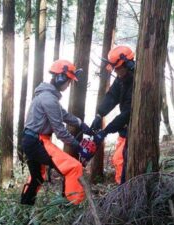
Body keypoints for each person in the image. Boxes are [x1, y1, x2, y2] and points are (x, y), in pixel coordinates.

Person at [20, 59, 94, 205]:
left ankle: (25, 206)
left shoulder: (47, 96)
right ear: (61, 78)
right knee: (74, 167)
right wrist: (78, 146)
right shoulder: (49, 100)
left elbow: (64, 115)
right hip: (37, 141)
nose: (69, 85)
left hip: (31, 140)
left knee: (37, 177)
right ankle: (72, 205)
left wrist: (81, 124)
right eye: (69, 81)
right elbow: (60, 131)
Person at [91, 46, 135, 185]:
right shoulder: (121, 79)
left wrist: (106, 131)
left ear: (128, 64)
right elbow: (111, 97)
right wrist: (99, 114)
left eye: (117, 68)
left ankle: (124, 190)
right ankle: (120, 188)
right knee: (117, 159)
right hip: (125, 129)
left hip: (134, 128)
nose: (115, 71)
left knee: (121, 159)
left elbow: (127, 113)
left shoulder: (137, 82)